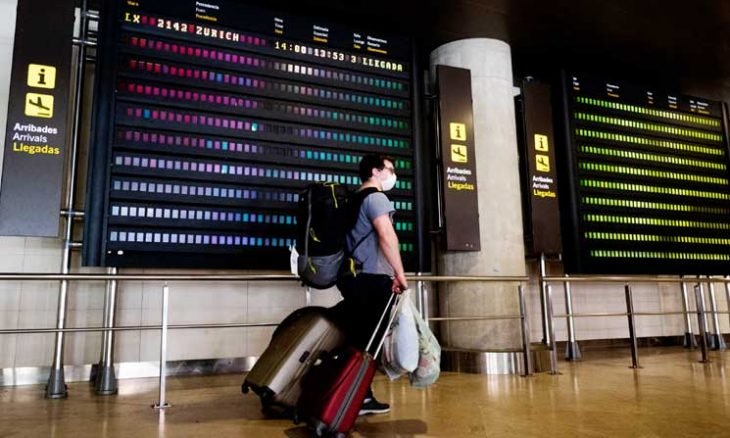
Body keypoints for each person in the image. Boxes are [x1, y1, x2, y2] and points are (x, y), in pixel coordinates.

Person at [336, 153, 408, 416]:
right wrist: (399, 274)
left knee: (357, 338)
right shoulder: (377, 198)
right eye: (390, 169)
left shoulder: (353, 199)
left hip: (351, 276)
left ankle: (351, 394)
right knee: (369, 342)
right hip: (372, 278)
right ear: (375, 171)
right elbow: (387, 237)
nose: (393, 175)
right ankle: (358, 397)